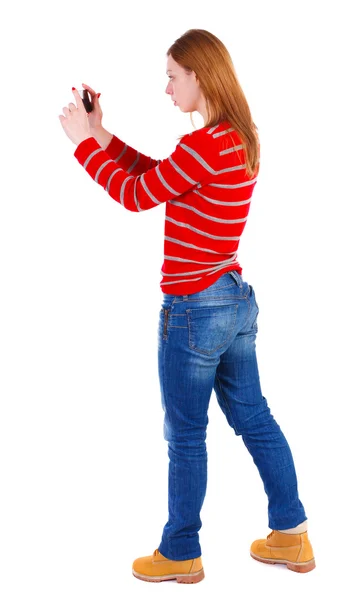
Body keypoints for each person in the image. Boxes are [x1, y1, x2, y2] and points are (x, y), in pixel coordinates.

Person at [59, 28, 315, 583]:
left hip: (195, 309)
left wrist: (82, 143)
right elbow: (161, 177)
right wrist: (102, 133)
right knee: (254, 417)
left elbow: (136, 195)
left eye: (173, 76)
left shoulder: (203, 145)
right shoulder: (237, 139)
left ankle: (180, 552)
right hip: (232, 300)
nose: (168, 89)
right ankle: (292, 536)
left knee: (186, 435)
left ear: (200, 74)